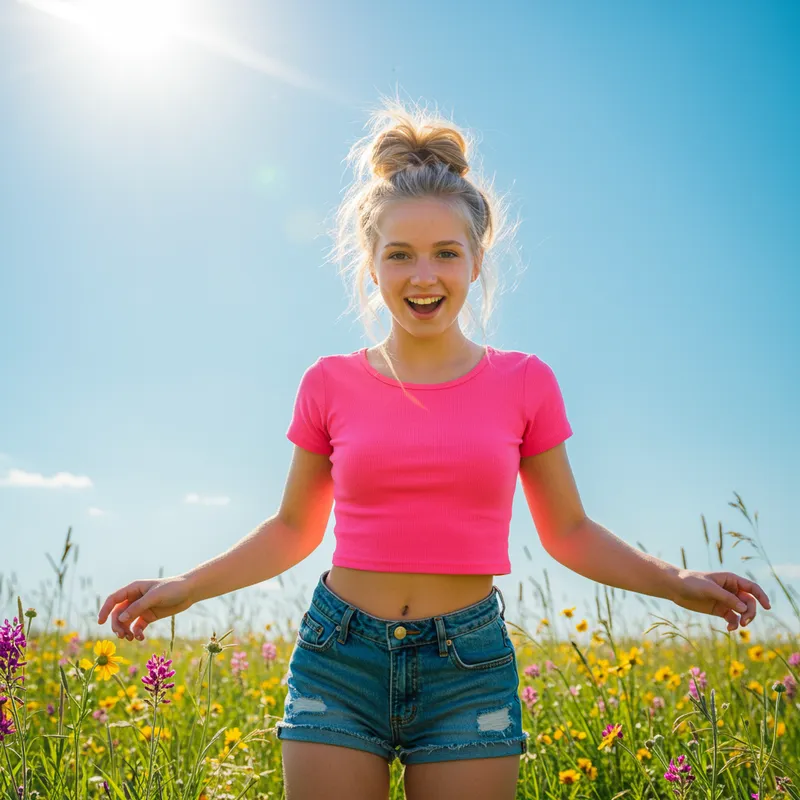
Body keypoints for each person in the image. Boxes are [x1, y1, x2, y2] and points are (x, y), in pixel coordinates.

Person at [97, 98, 771, 800]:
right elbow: (294, 528)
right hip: (338, 657)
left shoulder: (526, 383)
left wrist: (677, 582)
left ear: (477, 260)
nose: (424, 275)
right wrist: (183, 589)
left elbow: (568, 531)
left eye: (447, 253)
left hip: (466, 667)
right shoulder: (327, 383)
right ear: (371, 264)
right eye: (401, 255)